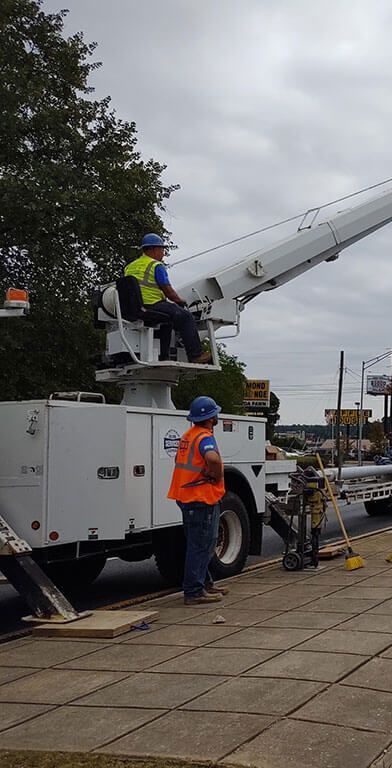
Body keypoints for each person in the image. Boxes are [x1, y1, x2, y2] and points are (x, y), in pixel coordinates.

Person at [168, 396, 229, 604]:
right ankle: (194, 591)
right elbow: (212, 458)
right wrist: (216, 475)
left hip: (186, 496)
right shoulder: (205, 437)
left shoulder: (188, 436)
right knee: (202, 545)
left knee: (199, 543)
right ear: (211, 417)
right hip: (200, 497)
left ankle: (205, 583)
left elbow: (178, 460)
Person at [124, 233, 211, 364]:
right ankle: (196, 355)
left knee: (167, 321)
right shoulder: (156, 266)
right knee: (186, 317)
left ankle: (163, 356)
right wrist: (179, 301)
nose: (163, 254)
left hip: (133, 309)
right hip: (151, 304)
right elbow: (168, 290)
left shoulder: (129, 267)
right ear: (153, 249)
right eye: (162, 250)